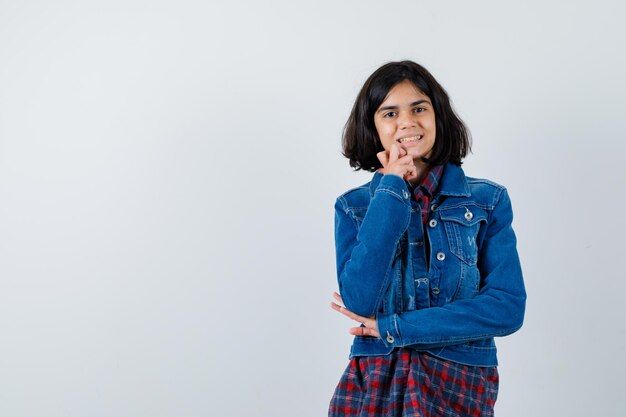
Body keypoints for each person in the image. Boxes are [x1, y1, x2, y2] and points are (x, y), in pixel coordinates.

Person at [328, 60, 526, 417]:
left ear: (438, 117)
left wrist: (399, 327)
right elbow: (359, 300)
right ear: (372, 127)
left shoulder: (487, 201)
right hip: (374, 383)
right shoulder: (353, 207)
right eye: (390, 113)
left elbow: (507, 307)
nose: (407, 122)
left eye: (419, 108)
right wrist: (390, 188)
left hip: (458, 383)